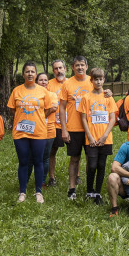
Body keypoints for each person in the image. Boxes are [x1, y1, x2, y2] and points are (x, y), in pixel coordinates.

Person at [8, 61, 57, 203]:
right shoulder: (17, 90)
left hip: (39, 132)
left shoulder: (43, 92)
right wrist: (23, 118)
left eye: (32, 71)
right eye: (27, 71)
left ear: (36, 74)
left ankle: (38, 192)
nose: (30, 74)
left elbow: (48, 110)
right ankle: (22, 192)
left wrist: (38, 118)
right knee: (23, 161)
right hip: (20, 133)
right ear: (23, 74)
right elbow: (13, 109)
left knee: (38, 161)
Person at [78, 68, 117, 204]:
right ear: (92, 80)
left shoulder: (108, 97)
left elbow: (112, 118)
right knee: (92, 165)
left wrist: (104, 136)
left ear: (104, 80)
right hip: (92, 138)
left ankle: (98, 193)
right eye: (96, 79)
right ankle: (90, 190)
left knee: (101, 165)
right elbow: (83, 118)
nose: (99, 81)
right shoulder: (86, 98)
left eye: (101, 79)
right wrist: (90, 136)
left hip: (105, 138)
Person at [61, 56, 93, 200]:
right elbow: (61, 108)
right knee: (74, 159)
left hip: (91, 128)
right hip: (73, 128)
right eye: (77, 65)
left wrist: (108, 93)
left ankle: (90, 189)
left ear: (86, 66)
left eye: (82, 65)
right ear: (73, 68)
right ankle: (72, 189)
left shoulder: (93, 81)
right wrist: (64, 129)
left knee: (90, 159)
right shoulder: (67, 84)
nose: (80, 67)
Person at [45, 60, 68, 186]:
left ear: (65, 68)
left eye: (60, 68)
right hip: (55, 123)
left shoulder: (71, 83)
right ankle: (52, 177)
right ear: (53, 71)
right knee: (52, 151)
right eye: (55, 68)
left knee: (75, 152)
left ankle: (77, 175)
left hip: (71, 123)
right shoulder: (48, 84)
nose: (58, 70)